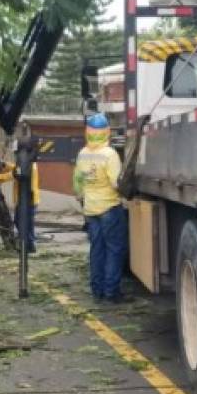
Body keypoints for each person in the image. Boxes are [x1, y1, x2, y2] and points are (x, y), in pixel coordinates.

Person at [73, 113, 125, 302]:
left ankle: (97, 291)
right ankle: (111, 292)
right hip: (109, 208)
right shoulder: (109, 154)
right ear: (106, 132)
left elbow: (77, 182)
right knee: (114, 250)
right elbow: (116, 183)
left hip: (90, 210)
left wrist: (82, 197)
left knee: (97, 250)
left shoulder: (82, 153)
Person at [0, 152, 40, 254]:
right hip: (27, 198)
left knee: (23, 222)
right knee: (24, 222)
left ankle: (28, 245)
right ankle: (29, 245)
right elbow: (16, 169)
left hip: (27, 199)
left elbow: (15, 174)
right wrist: (5, 165)